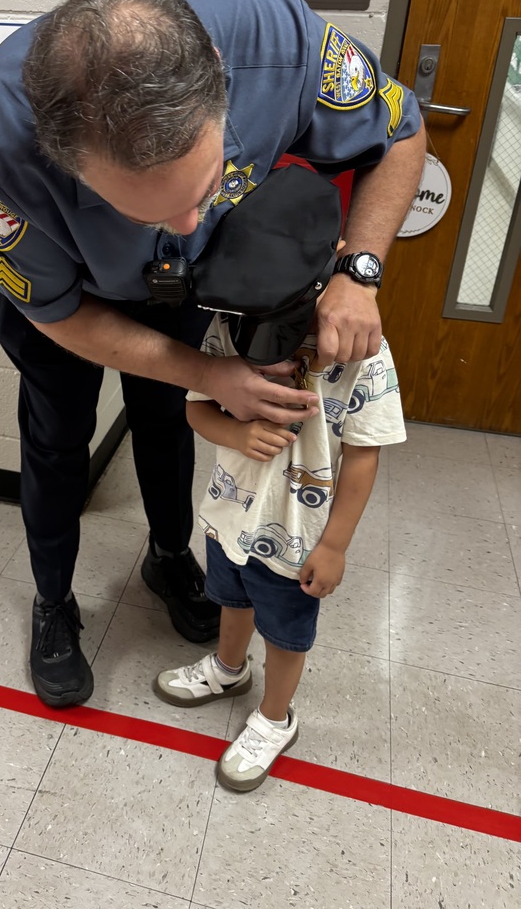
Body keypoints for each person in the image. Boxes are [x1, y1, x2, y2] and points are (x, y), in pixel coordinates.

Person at [0, 0, 425, 709]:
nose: (184, 225)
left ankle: (170, 558)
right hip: (66, 303)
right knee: (57, 440)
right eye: (146, 212)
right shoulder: (6, 134)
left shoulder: (277, 39)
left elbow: (400, 133)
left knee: (167, 425)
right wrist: (208, 376)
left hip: (187, 291)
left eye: (206, 189)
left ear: (218, 77)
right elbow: (55, 312)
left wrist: (360, 272)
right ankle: (54, 605)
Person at [153, 188, 407, 792]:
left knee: (286, 630)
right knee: (231, 598)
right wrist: (235, 434)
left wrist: (336, 546)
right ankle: (227, 668)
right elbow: (196, 410)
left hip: (297, 538)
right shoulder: (229, 321)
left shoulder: (363, 354)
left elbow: (364, 455)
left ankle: (274, 717)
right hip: (229, 515)